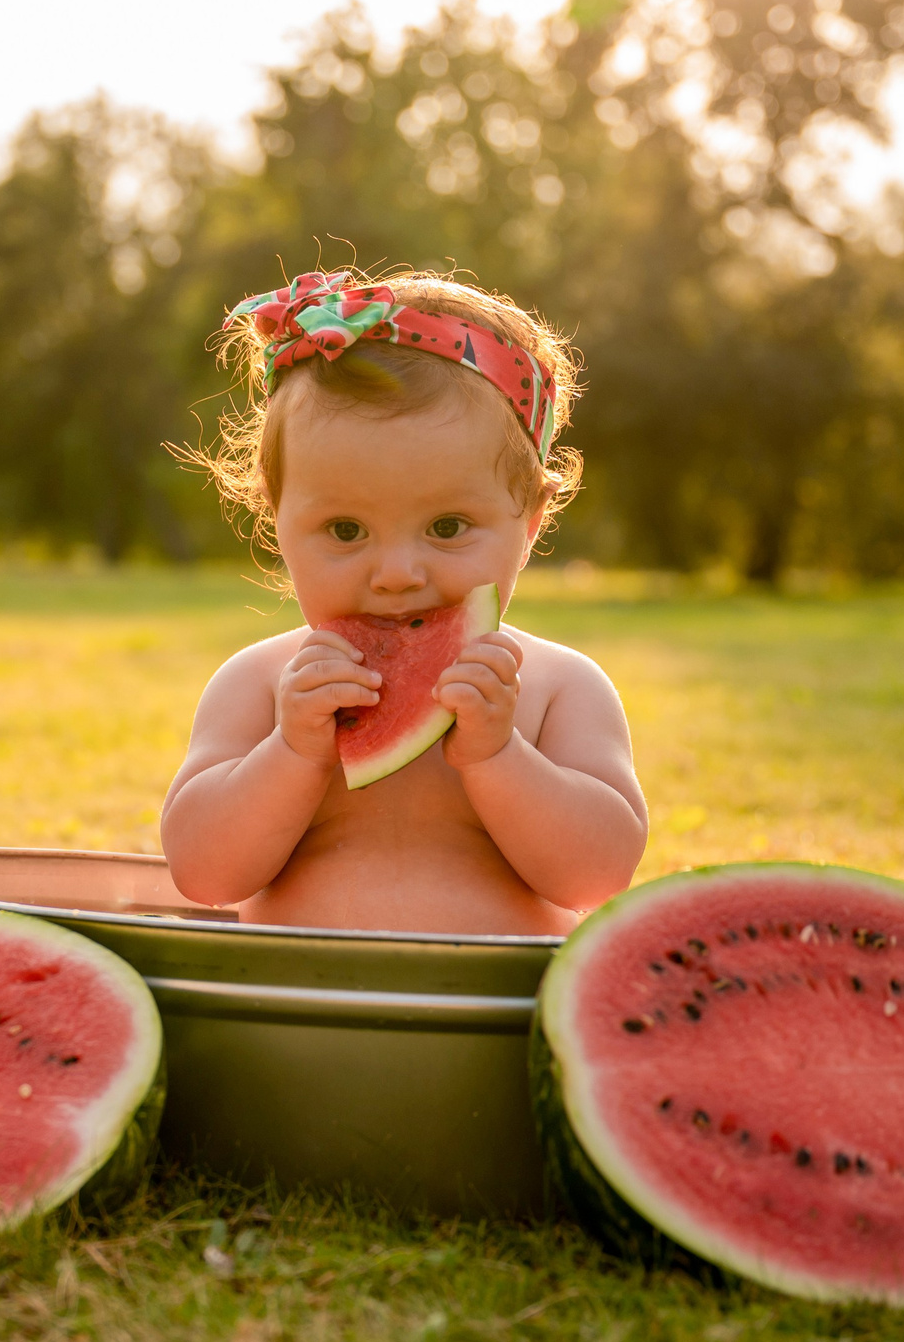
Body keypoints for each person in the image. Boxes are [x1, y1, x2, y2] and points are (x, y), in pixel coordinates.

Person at [161, 270, 648, 935]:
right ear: (276, 517)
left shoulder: (559, 688)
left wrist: (500, 756)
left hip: (495, 1023)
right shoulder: (259, 685)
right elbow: (203, 874)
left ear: (530, 519)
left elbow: (599, 875)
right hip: (293, 1016)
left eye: (446, 527)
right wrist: (291, 751)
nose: (396, 573)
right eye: (346, 530)